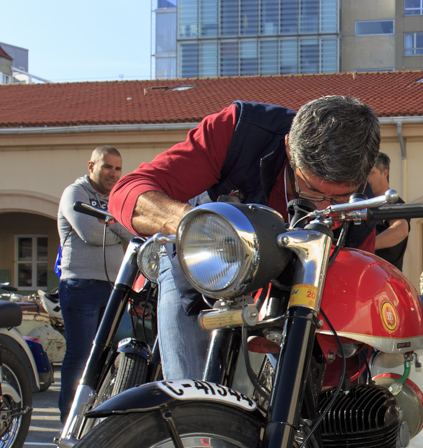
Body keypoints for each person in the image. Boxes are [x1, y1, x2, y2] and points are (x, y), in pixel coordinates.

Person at [109, 95, 380, 381]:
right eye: (310, 189)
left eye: (337, 199)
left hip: (288, 289)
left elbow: (350, 315)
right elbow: (128, 192)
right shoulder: (240, 131)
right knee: (193, 386)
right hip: (204, 265)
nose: (321, 208)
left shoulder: (361, 208)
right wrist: (204, 228)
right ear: (289, 148)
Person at [57, 145, 135, 422]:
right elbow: (90, 233)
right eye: (107, 167)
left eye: (118, 168)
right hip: (81, 286)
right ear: (91, 166)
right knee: (81, 355)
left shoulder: (114, 198)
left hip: (114, 288)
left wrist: (110, 223)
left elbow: (133, 233)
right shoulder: (75, 193)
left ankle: (94, 421)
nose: (113, 173)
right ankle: (70, 421)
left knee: (109, 358)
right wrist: (116, 227)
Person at [369, 152, 410, 270]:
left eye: (371, 173)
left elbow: (401, 229)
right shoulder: (362, 204)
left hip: (385, 277)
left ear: (385, 173)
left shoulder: (394, 202)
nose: (365, 178)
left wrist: (367, 246)